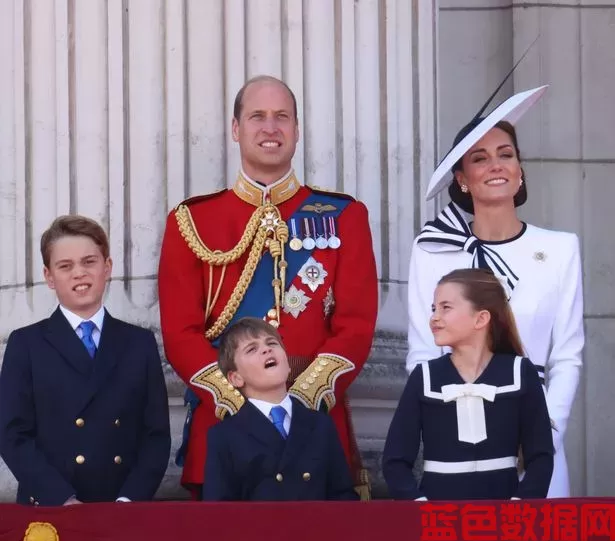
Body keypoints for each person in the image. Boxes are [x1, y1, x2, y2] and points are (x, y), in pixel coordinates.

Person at [158, 75, 378, 498]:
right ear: (236, 129)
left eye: (282, 117)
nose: (270, 128)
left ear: (296, 130)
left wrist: (299, 402)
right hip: (225, 428)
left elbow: (355, 324)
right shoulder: (191, 221)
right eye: (257, 116)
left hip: (313, 429)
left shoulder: (343, 215)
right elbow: (179, 333)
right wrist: (242, 403)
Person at [406, 85, 583, 498]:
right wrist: (444, 429)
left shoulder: (560, 249)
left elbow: (568, 357)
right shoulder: (433, 251)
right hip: (457, 440)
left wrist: (544, 436)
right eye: (479, 159)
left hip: (536, 440)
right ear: (462, 179)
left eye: (506, 154)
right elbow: (421, 354)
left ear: (520, 169)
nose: (495, 165)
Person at [0, 216, 171, 506]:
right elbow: (12, 435)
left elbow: (156, 436)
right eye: (65, 266)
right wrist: (61, 498)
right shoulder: (25, 343)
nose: (79, 273)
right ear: (49, 276)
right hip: (51, 506)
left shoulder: (139, 343)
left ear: (107, 267)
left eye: (89, 262)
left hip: (121, 508)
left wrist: (129, 500)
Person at [385, 268, 554, 500]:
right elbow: (395, 461)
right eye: (434, 308)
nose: (435, 317)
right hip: (438, 519)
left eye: (446, 307)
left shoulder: (520, 373)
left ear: (481, 318)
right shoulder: (424, 376)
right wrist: (419, 507)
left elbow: (541, 457)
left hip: (504, 518)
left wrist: (520, 507)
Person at [202, 317, 358, 501]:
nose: (266, 349)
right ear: (236, 378)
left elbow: (343, 497)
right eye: (252, 349)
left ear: (287, 363)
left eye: (272, 343)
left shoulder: (320, 424)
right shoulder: (225, 436)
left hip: (317, 528)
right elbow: (219, 513)